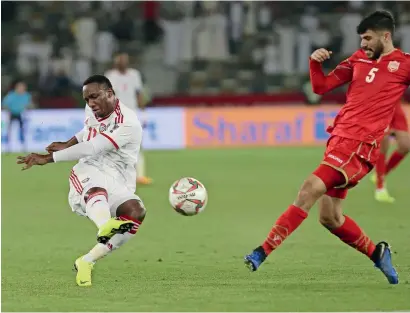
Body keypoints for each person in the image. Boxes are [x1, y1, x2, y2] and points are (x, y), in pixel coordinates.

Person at [244, 10, 410, 285]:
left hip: (360, 146)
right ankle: (377, 253)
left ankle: (263, 251)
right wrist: (313, 63)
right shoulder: (357, 60)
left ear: (386, 36)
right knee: (330, 217)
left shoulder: (403, 65)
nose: (363, 44)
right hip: (339, 141)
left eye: (368, 38)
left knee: (309, 188)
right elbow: (322, 87)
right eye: (361, 39)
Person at [17, 75, 146, 287]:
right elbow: (88, 132)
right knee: (97, 190)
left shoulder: (128, 123)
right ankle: (105, 225)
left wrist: (48, 159)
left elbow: (93, 145)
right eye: (86, 99)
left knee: (135, 212)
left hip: (119, 177)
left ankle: (86, 261)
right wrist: (67, 143)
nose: (90, 103)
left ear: (110, 94)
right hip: (89, 169)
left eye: (94, 97)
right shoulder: (94, 110)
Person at [105, 52, 153, 185]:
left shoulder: (134, 75)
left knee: (137, 145)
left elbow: (138, 94)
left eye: (125, 60)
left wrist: (143, 112)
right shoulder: (110, 76)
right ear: (116, 62)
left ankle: (140, 176)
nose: (123, 62)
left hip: (132, 114)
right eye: (120, 60)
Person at [370, 102, 410, 203]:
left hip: (395, 104)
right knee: (383, 143)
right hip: (381, 103)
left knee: (406, 145)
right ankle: (380, 188)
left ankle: (382, 172)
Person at [2, 80, 31, 152]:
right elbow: (4, 104)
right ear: (16, 87)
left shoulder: (26, 95)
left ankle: (23, 147)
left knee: (22, 130)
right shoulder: (11, 95)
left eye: (23, 87)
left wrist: (26, 109)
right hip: (12, 113)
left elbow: (29, 105)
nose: (22, 89)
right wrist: (8, 111)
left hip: (21, 114)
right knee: (9, 130)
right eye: (20, 87)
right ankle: (8, 147)